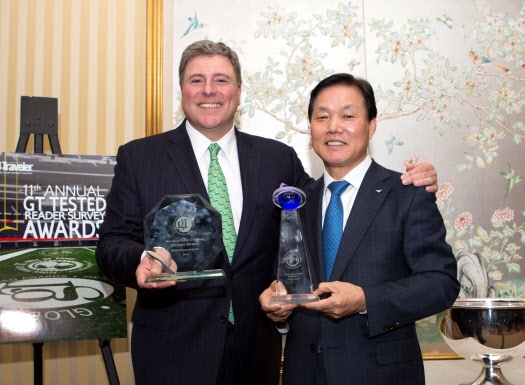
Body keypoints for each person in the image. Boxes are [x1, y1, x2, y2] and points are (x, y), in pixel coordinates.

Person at [95, 40, 439, 385]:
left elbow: (336, 201)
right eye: (196, 80)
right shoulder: (140, 158)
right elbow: (111, 244)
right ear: (182, 89)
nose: (209, 90)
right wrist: (140, 260)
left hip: (257, 349)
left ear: (239, 91)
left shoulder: (278, 158)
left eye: (221, 80)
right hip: (172, 350)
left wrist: (413, 180)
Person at [259, 73, 460, 385]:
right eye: (321, 116)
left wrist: (366, 299)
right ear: (311, 130)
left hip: (381, 374)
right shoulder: (297, 203)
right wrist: (279, 307)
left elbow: (441, 282)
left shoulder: (406, 193)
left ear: (372, 125)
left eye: (348, 115)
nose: (333, 126)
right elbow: (286, 280)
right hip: (303, 372)